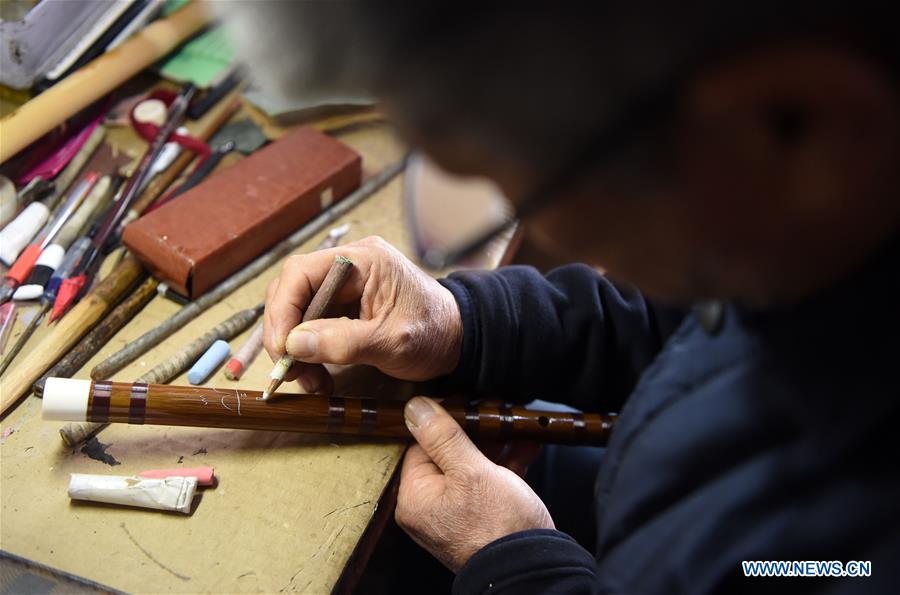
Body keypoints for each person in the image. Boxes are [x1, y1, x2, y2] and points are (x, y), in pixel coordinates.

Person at [227, 2, 899, 593]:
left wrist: (518, 569)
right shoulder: (804, 243)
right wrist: (470, 322)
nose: (539, 225)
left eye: (525, 192)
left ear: (796, 130)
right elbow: (698, 324)